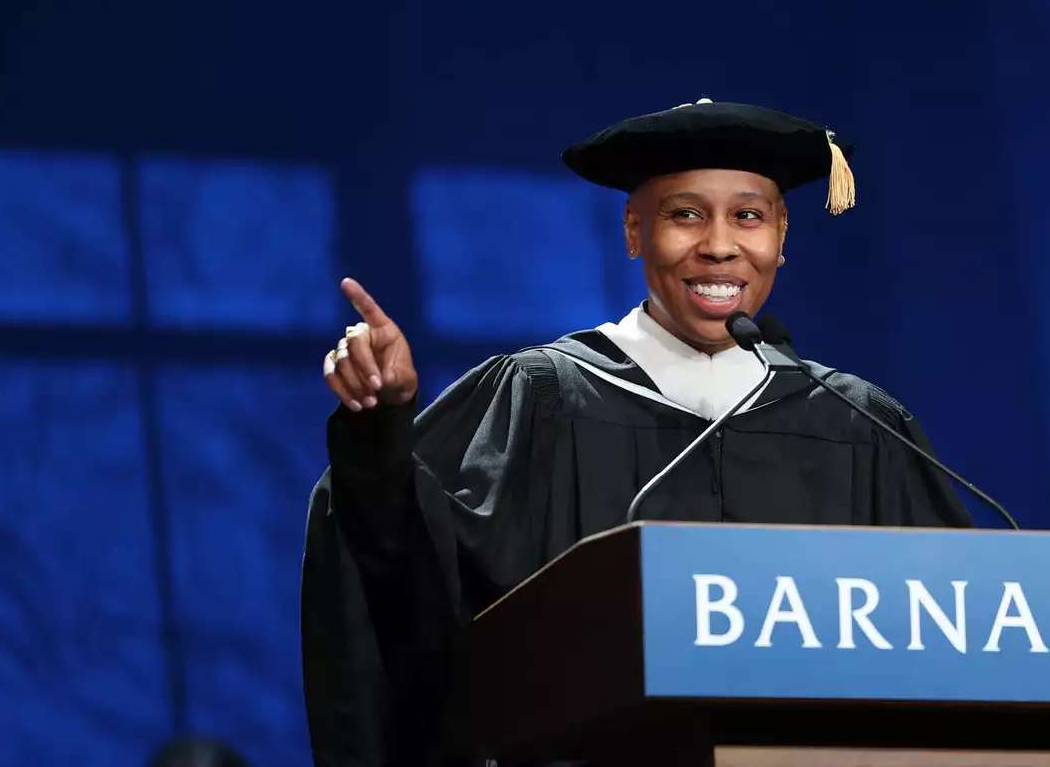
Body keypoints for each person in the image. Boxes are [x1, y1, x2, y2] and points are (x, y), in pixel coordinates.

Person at [300, 100, 973, 767]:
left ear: (781, 235)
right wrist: (380, 424)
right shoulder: (543, 397)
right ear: (632, 231)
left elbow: (963, 631)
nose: (719, 244)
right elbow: (408, 565)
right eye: (685, 214)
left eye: (748, 216)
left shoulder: (855, 421)